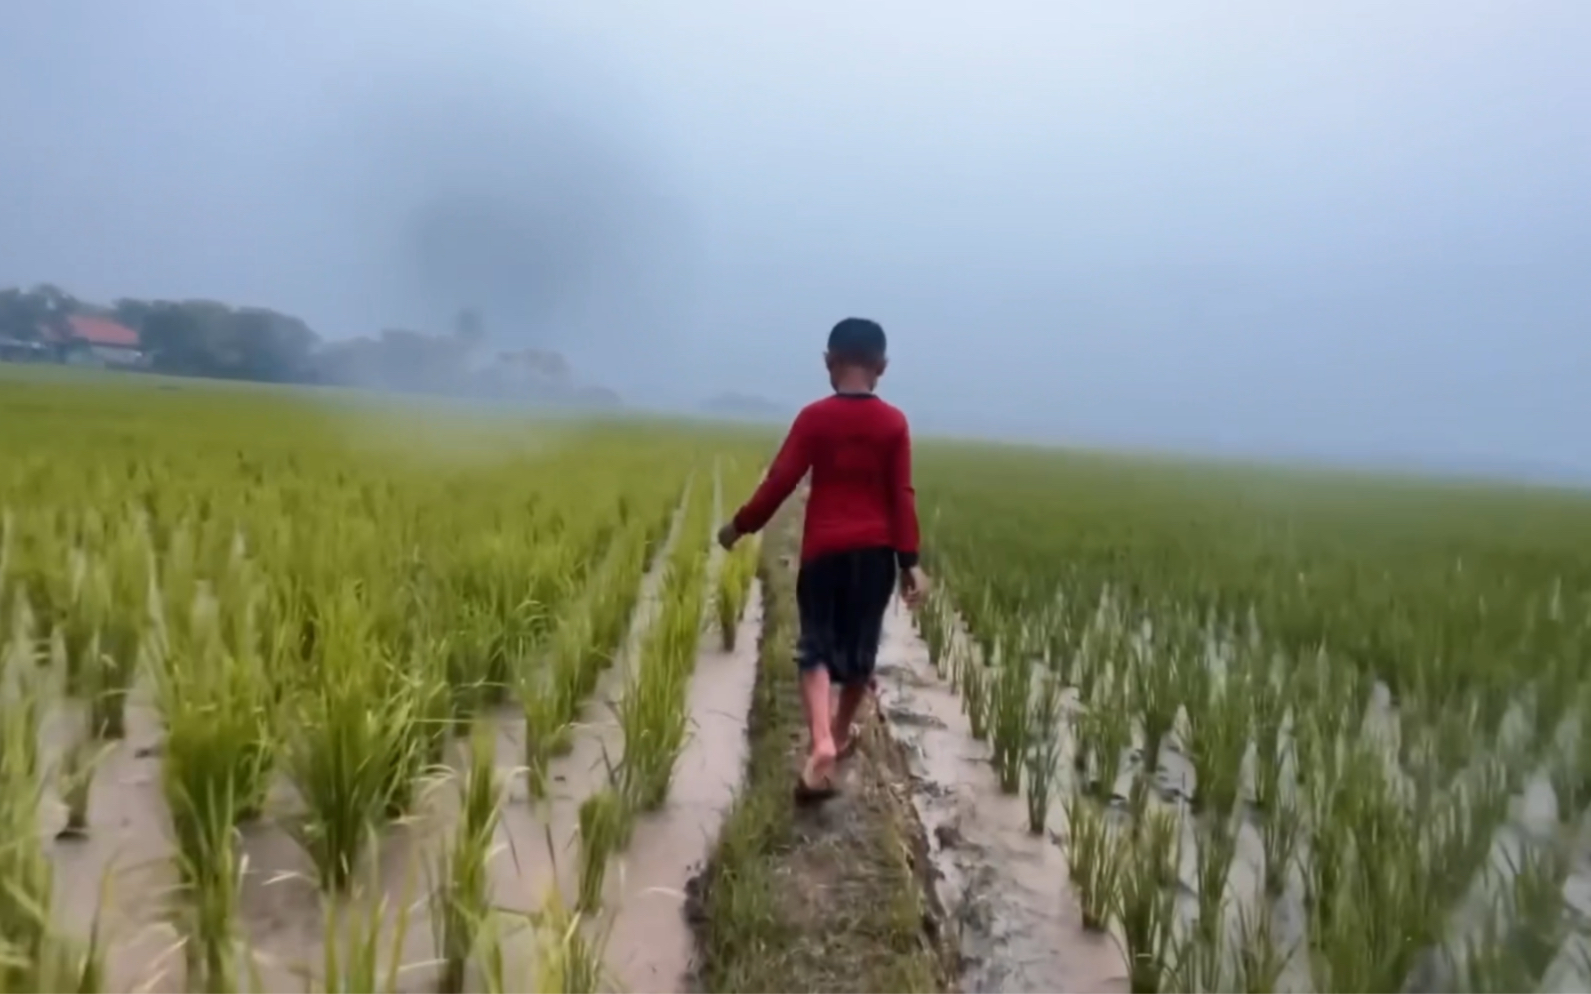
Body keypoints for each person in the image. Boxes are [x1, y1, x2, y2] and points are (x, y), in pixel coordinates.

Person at [717, 317, 929, 803]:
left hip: (824, 553)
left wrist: (741, 525)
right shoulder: (894, 423)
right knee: (859, 655)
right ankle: (838, 730)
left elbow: (780, 481)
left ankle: (821, 742)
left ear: (828, 363)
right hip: (875, 557)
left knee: (815, 647)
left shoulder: (815, 418)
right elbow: (902, 495)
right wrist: (910, 560)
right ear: (882, 367)